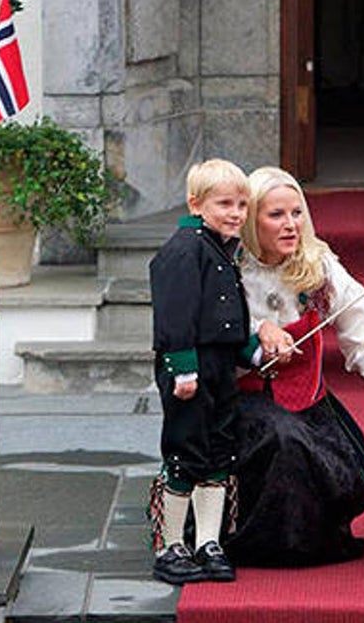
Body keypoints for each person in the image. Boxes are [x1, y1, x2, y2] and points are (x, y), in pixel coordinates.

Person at [224, 166, 364, 567]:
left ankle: (312, 539)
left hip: (307, 399)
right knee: (284, 440)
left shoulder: (318, 266)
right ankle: (267, 543)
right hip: (246, 400)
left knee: (319, 450)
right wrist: (256, 336)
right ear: (252, 221)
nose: (291, 225)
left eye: (297, 213)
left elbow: (362, 338)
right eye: (276, 215)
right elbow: (211, 341)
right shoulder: (229, 269)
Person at [148, 158, 250, 585]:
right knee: (185, 451)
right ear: (196, 203)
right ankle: (172, 545)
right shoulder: (184, 250)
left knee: (218, 453)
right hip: (190, 369)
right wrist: (183, 370)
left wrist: (255, 351)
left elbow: (226, 318)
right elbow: (175, 316)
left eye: (242, 204)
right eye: (225, 203)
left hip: (221, 367)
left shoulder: (220, 249)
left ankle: (209, 543)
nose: (236, 213)